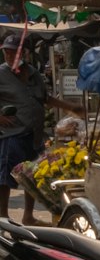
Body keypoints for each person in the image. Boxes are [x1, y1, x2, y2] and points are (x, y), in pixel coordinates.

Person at [0, 31, 79, 224]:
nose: (9, 56)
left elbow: (45, 98)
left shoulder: (34, 74)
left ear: (25, 53)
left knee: (33, 175)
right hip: (12, 134)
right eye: (6, 53)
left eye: (13, 52)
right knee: (5, 177)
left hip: (34, 134)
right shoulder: (1, 73)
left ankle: (28, 216)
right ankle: (2, 216)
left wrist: (71, 108)